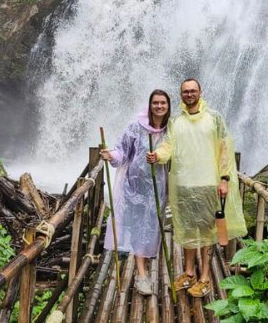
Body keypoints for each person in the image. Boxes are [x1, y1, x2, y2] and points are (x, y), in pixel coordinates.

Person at [147, 78, 246, 298]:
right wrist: (158, 155)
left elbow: (225, 150)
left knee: (207, 232)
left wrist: (224, 179)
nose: (189, 94)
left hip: (207, 184)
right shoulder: (176, 121)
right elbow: (168, 145)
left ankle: (205, 278)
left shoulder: (215, 118)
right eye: (185, 91)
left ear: (200, 92)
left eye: (193, 91)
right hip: (183, 185)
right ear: (181, 94)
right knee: (188, 230)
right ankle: (189, 273)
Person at [101, 89, 171, 296]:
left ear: (168, 106)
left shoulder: (171, 130)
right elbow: (122, 152)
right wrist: (111, 155)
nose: (159, 106)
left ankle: (141, 268)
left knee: (150, 228)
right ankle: (141, 275)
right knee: (139, 227)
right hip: (133, 187)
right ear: (150, 105)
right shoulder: (135, 127)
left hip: (157, 189)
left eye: (163, 103)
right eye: (155, 103)